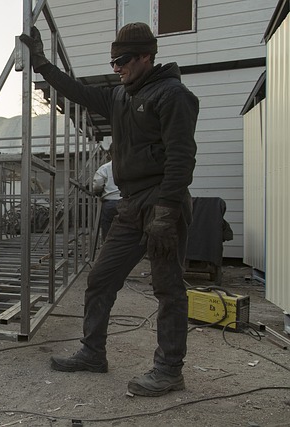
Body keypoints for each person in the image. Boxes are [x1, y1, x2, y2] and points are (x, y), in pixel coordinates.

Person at [20, 22, 198, 396]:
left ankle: (169, 371)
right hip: (130, 204)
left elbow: (182, 156)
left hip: (162, 201)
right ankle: (92, 352)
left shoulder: (173, 95)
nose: (116, 67)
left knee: (168, 288)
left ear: (146, 56)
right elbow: (78, 91)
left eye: (122, 60)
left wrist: (166, 211)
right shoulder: (120, 96)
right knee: (101, 278)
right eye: (113, 60)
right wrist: (41, 65)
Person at [92, 153, 120, 242]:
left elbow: (97, 185)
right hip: (127, 201)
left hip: (110, 202)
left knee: (108, 229)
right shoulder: (130, 165)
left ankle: (109, 250)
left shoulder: (105, 167)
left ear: (110, 154)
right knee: (128, 228)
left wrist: (98, 193)